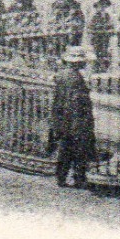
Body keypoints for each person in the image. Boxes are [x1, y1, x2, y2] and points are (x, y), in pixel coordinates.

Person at [48, 47, 97, 188]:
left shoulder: (61, 76)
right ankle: (79, 179)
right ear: (78, 63)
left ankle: (61, 177)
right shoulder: (76, 79)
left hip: (62, 118)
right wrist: (79, 123)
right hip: (75, 120)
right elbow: (75, 103)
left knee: (64, 149)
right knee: (79, 150)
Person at [87, 0, 114, 70]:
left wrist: (110, 30)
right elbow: (90, 27)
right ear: (98, 6)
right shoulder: (95, 16)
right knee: (97, 51)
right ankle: (97, 66)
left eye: (104, 5)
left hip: (105, 37)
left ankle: (104, 67)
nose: (103, 7)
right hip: (97, 37)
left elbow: (111, 26)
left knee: (105, 51)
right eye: (101, 5)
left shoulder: (107, 16)